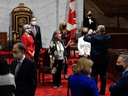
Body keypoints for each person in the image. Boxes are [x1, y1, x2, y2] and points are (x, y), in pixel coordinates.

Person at [83, 25, 111, 95]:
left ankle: (95, 90)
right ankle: (103, 90)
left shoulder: (94, 37)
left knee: (94, 76)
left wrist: (89, 33)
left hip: (95, 59)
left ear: (98, 31)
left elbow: (85, 38)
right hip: (104, 59)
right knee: (103, 76)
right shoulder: (108, 37)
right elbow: (101, 36)